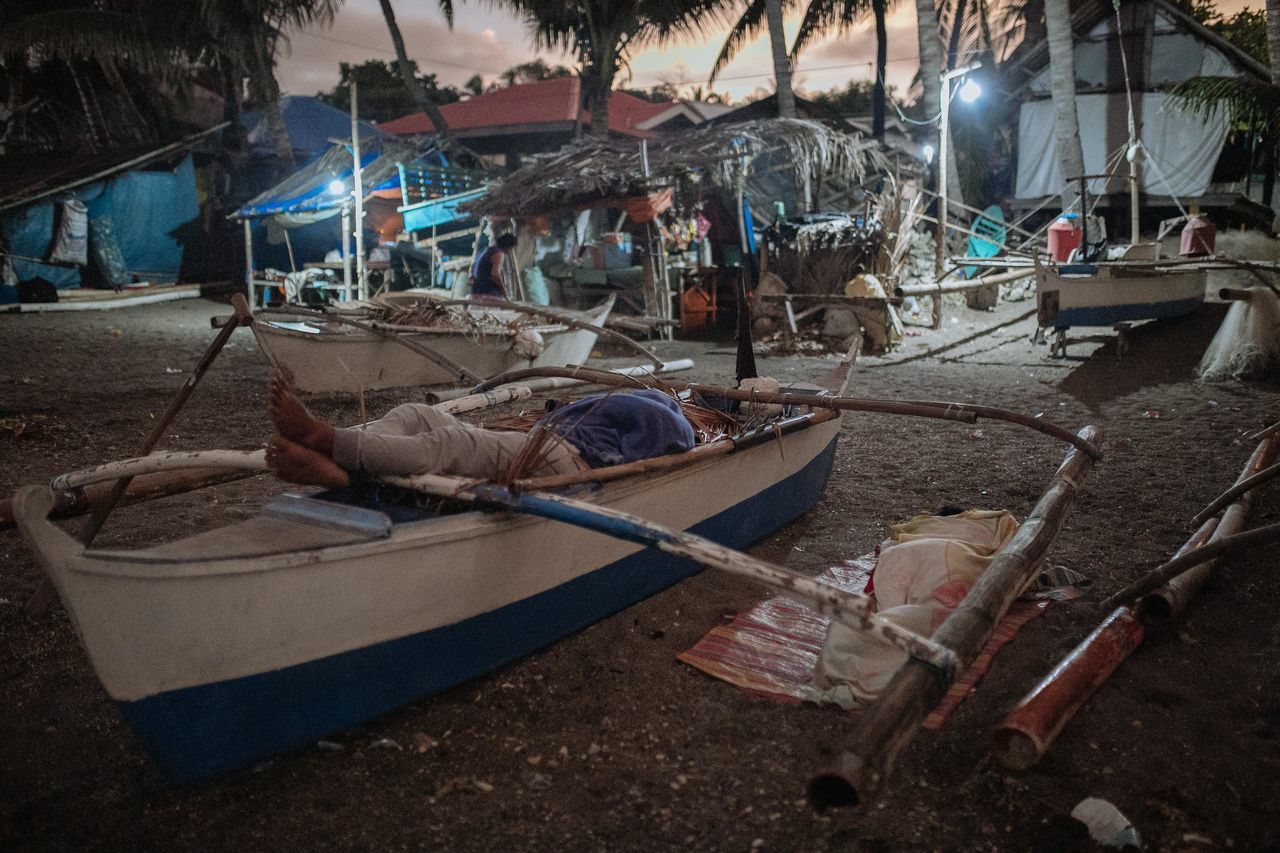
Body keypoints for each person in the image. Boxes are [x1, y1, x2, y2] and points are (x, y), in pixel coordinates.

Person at [265, 371, 696, 489]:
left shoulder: (670, 415)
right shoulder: (650, 400)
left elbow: (657, 455)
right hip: (543, 442)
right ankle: (345, 470)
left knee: (452, 443)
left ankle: (323, 439)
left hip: (567, 460)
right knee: (417, 414)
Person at [469, 233, 517, 301]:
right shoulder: (498, 253)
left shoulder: (484, 250)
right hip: (487, 293)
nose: (510, 252)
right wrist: (503, 290)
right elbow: (495, 275)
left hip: (475, 291)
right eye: (511, 249)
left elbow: (472, 269)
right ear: (508, 246)